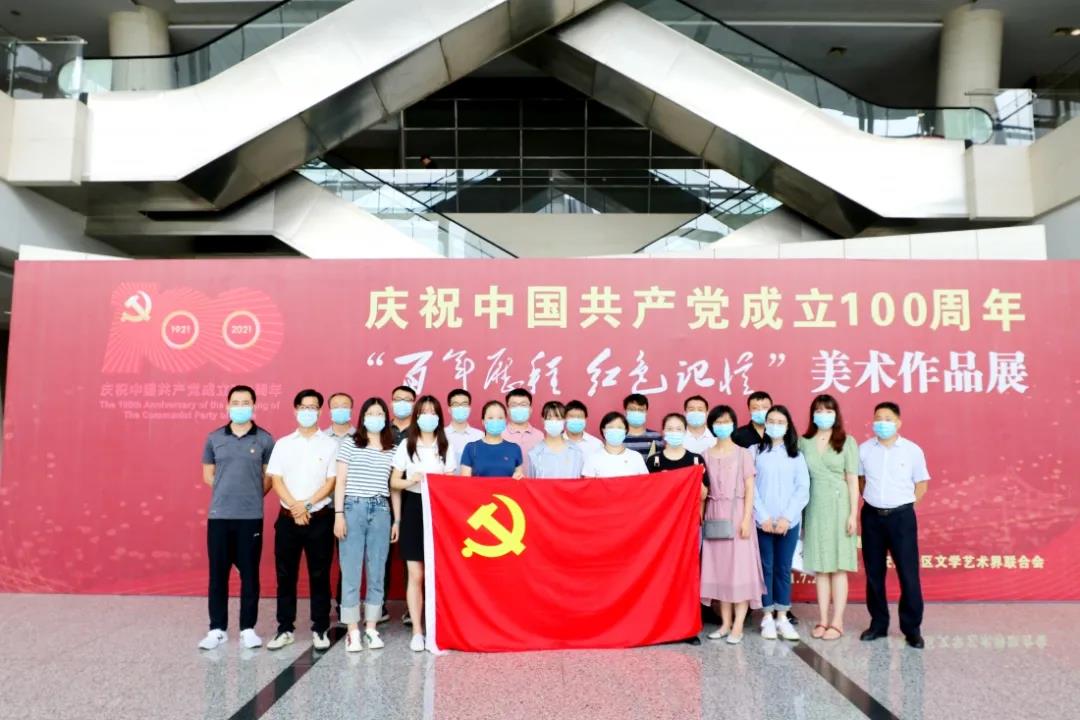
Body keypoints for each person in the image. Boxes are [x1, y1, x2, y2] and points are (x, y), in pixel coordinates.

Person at [198, 385, 275, 651]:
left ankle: (247, 629)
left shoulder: (265, 439)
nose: (240, 407)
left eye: (245, 402)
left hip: (251, 517)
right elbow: (208, 475)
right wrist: (228, 492)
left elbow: (269, 478)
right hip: (219, 516)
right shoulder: (214, 438)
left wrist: (250, 495)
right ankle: (217, 629)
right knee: (217, 574)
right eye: (235, 402)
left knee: (250, 574)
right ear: (227, 405)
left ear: (254, 406)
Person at [266, 389, 338, 652]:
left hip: (319, 518)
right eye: (304, 407)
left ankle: (320, 628)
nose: (308, 412)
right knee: (285, 575)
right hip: (288, 519)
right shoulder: (283, 444)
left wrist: (305, 505)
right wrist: (295, 507)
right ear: (295, 410)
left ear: (320, 411)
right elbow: (276, 479)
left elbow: (331, 482)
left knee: (320, 575)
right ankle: (285, 628)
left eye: (313, 407)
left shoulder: (330, 444)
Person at [858, 401, 930, 649]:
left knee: (908, 575)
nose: (882, 423)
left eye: (888, 419)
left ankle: (912, 629)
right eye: (878, 418)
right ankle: (878, 624)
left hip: (902, 518)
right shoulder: (864, 449)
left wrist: (904, 506)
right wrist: (876, 502)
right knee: (874, 574)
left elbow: (922, 484)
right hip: (871, 517)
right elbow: (861, 480)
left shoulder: (912, 450)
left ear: (898, 422)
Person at [390, 395, 457, 652]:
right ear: (416, 416)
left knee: (438, 573)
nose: (428, 416)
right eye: (423, 412)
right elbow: (394, 482)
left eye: (433, 412)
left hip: (439, 511)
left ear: (439, 416)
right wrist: (412, 480)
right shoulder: (406, 445)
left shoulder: (446, 445)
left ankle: (438, 628)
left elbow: (453, 483)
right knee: (416, 574)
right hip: (414, 508)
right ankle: (417, 631)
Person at [334, 397, 397, 651]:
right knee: (350, 571)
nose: (375, 418)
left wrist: (397, 519)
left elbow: (394, 487)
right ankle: (352, 630)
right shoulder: (350, 443)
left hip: (381, 509)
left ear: (386, 418)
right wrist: (339, 514)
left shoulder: (392, 448)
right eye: (371, 413)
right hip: (353, 507)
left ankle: (371, 627)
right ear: (362, 417)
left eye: (380, 413)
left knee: (377, 569)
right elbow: (340, 481)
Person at [701, 405, 765, 645]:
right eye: (717, 422)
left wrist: (747, 519)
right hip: (714, 515)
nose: (722, 426)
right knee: (720, 571)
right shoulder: (705, 455)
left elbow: (750, 488)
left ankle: (738, 624)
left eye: (726, 421)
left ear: (733, 424)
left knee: (739, 570)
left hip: (737, 514)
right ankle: (725, 623)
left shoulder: (743, 454)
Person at [798, 394, 859, 641]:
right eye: (819, 410)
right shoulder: (804, 442)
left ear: (836, 414)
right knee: (821, 568)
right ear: (813, 414)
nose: (823, 415)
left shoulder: (847, 441)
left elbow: (852, 480)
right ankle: (823, 620)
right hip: (814, 507)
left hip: (840, 506)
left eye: (828, 411)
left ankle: (837, 621)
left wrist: (853, 514)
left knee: (839, 567)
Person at [753, 405, 810, 642]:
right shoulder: (755, 451)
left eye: (780, 422)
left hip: (789, 522)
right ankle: (767, 616)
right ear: (765, 424)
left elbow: (802, 488)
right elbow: (751, 488)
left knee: (783, 568)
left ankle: (782, 617)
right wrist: (763, 516)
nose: (775, 425)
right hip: (762, 523)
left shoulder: (796, 455)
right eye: (771, 421)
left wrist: (787, 517)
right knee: (765, 568)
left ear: (788, 427)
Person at [386, 385, 415, 625]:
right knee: (381, 553)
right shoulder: (381, 429)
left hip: (413, 497)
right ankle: (379, 605)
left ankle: (410, 607)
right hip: (382, 497)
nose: (402, 403)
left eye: (407, 399)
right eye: (398, 399)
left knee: (411, 555)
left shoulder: (420, 431)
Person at [646, 413, 709, 515]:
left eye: (678, 429)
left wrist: (697, 476)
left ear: (685, 431)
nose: (674, 432)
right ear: (663, 432)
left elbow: (703, 496)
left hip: (688, 517)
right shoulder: (654, 461)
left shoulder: (696, 460)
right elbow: (648, 495)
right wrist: (660, 481)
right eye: (670, 429)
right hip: (662, 517)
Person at [461, 401, 524, 477]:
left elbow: (519, 478)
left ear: (505, 421)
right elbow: (465, 482)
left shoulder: (514, 448)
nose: (495, 421)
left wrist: (519, 477)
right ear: (483, 422)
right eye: (490, 418)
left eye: (500, 418)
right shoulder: (471, 448)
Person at [582, 411, 649, 478]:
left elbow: (645, 482)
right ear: (603, 430)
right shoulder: (592, 458)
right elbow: (588, 484)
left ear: (625, 431)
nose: (615, 430)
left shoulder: (636, 457)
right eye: (611, 427)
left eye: (619, 427)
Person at [528, 401, 585, 478]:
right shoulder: (534, 453)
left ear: (564, 420)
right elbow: (531, 483)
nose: (554, 421)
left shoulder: (576, 451)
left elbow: (580, 481)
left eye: (558, 418)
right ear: (543, 420)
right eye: (549, 418)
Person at [503, 388, 544, 475]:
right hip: (506, 483)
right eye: (514, 405)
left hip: (533, 483)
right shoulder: (500, 435)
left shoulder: (540, 436)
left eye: (523, 405)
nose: (519, 408)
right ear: (507, 410)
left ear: (530, 409)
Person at [445, 388, 483, 462]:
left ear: (469, 409)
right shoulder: (441, 435)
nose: (460, 407)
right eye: (455, 404)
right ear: (449, 409)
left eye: (464, 404)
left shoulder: (480, 436)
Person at [622, 393, 664, 458]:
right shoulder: (618, 437)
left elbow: (659, 461)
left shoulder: (656, 437)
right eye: (632, 409)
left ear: (646, 412)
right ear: (625, 412)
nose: (636, 412)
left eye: (641, 410)